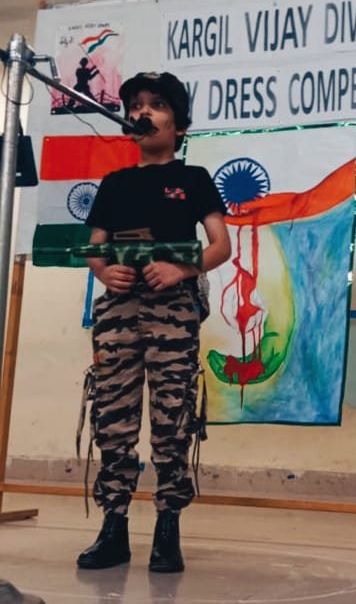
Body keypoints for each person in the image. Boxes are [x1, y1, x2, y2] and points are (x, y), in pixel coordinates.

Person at [76, 71, 231, 572]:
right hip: (119, 313)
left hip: (173, 311)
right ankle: (113, 527)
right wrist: (106, 272)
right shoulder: (114, 183)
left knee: (172, 420)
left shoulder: (194, 179)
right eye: (136, 105)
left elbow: (221, 246)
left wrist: (182, 269)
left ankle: (168, 528)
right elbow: (95, 250)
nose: (143, 112)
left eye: (157, 104)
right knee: (113, 419)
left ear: (179, 125)